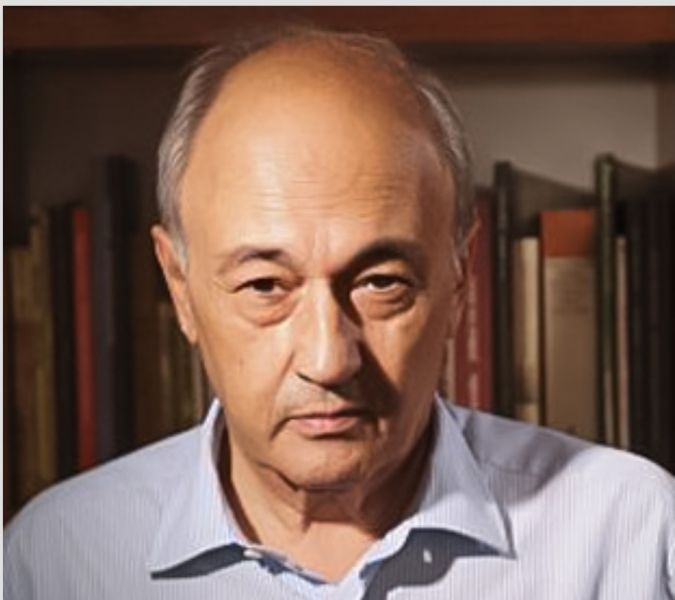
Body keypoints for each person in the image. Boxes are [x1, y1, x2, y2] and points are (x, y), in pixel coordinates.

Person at [4, 25, 674, 600]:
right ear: (180, 288)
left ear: (459, 279)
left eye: (380, 283)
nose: (328, 359)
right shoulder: (57, 557)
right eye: (266, 286)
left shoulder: (631, 537)